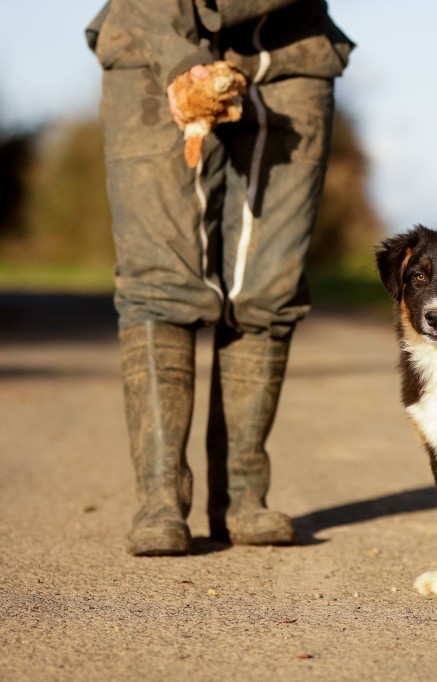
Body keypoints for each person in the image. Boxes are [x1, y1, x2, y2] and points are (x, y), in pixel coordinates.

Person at [85, 0, 354, 555]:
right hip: (149, 35)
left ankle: (242, 497)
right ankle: (160, 500)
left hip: (292, 52)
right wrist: (178, 56)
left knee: (270, 285)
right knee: (158, 281)